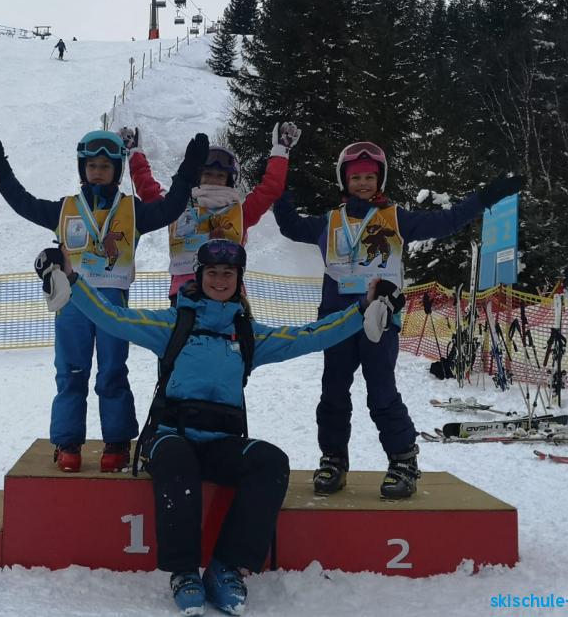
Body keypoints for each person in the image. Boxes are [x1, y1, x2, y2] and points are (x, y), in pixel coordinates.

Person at [34, 238, 403, 616]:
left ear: (239, 279)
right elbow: (114, 318)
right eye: (212, 272)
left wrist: (364, 308)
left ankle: (226, 567)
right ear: (199, 276)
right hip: (170, 437)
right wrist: (71, 278)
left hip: (220, 442)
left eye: (228, 273)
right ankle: (183, 572)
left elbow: (310, 336)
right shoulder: (173, 324)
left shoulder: (248, 335)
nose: (220, 279)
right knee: (177, 458)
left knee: (271, 462)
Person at [273, 142, 524, 499]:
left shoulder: (396, 218)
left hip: (380, 318)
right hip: (337, 322)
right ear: (344, 181)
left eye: (369, 177)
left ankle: (403, 460)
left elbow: (447, 221)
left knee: (382, 392)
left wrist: (486, 197)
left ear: (380, 179)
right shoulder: (328, 222)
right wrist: (277, 183)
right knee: (332, 393)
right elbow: (289, 225)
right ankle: (333, 459)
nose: (363, 183)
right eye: (356, 177)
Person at [0, 128, 207, 473]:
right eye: (91, 166)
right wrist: (0, 169)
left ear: (116, 170)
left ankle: (116, 443)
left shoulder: (132, 210)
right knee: (71, 372)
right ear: (82, 168)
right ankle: (68, 443)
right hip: (72, 304)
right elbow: (23, 202)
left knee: (113, 372)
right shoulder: (65, 209)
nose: (97, 172)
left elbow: (170, 208)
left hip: (112, 306)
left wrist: (189, 170)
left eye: (105, 166)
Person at [119, 123, 301, 305]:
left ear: (228, 180)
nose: (213, 180)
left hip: (229, 296)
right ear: (198, 177)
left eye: (220, 176)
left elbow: (270, 189)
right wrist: (135, 153)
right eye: (208, 174)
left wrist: (281, 150)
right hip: (186, 296)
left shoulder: (240, 212)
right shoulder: (177, 205)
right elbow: (146, 186)